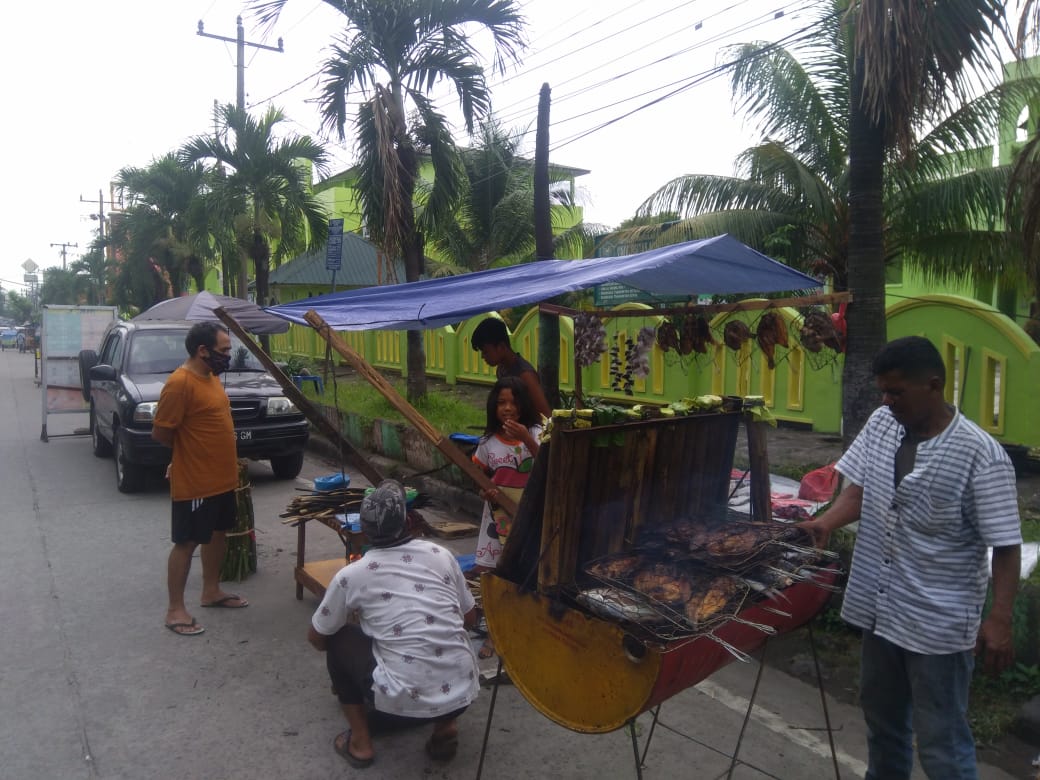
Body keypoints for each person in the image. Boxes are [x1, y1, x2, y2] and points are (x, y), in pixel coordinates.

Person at [799, 336, 1021, 779]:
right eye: (883, 390)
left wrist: (999, 618)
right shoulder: (883, 422)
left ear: (933, 386)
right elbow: (860, 486)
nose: (886, 400)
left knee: (941, 742)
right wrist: (825, 523)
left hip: (937, 624)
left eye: (896, 392)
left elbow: (1006, 542)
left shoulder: (981, 455)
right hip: (880, 610)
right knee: (883, 728)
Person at [309, 480, 479, 769]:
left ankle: (360, 743)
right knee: (445, 641)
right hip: (463, 689)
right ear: (408, 521)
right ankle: (445, 726)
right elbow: (470, 618)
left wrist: (365, 632)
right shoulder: (441, 555)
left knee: (339, 640)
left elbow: (317, 637)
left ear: (362, 531)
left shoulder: (352, 575)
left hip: (404, 694)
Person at [152, 322, 248, 637]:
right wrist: (183, 458)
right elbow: (162, 432)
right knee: (187, 542)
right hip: (196, 481)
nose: (227, 356)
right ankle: (175, 609)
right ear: (202, 351)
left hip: (223, 479)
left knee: (218, 534)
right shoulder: (180, 383)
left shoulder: (211, 378)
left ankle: (211, 591)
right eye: (223, 351)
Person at [470, 375, 542, 657]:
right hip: (495, 521)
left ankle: (522, 632)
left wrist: (526, 439)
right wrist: (483, 492)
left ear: (523, 405)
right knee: (493, 577)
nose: (508, 408)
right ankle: (493, 634)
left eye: (513, 402)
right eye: (501, 403)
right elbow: (479, 477)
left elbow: (550, 465)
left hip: (528, 520)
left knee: (524, 575)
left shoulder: (537, 433)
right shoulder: (488, 443)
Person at [471, 317, 552, 420]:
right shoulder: (501, 369)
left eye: (485, 351)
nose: (483, 356)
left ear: (501, 347)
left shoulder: (526, 375)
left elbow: (546, 417)